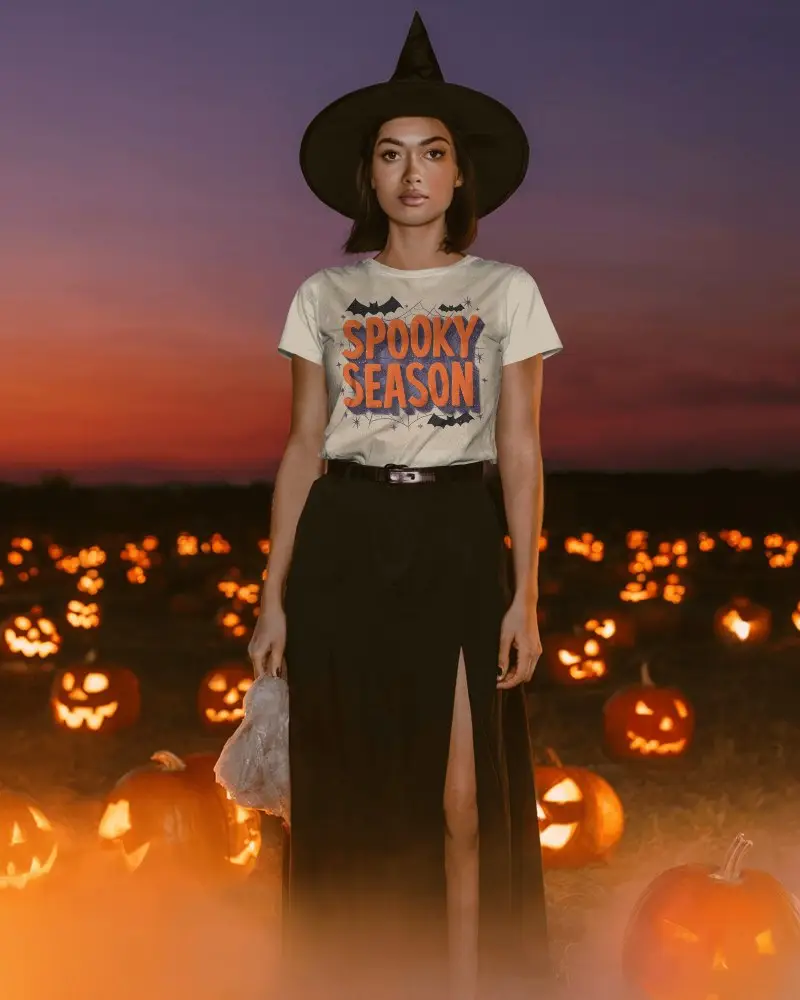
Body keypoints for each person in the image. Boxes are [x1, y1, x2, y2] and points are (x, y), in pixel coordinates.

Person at [249, 11, 564, 1000]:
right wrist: (273, 593)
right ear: (368, 177)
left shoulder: (504, 290)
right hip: (344, 538)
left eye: (431, 152)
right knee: (350, 798)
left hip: (456, 537)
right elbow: (302, 445)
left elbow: (518, 444)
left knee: (463, 803)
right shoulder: (324, 294)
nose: (412, 172)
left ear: (460, 174)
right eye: (390, 155)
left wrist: (526, 590)